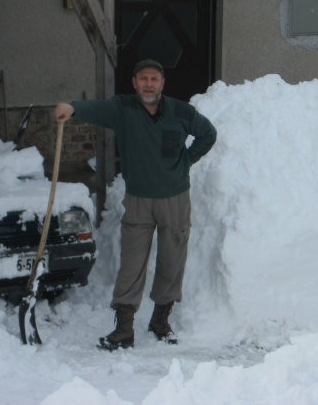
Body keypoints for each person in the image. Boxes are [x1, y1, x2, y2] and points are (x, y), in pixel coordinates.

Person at [54, 59, 217, 351]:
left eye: (154, 79)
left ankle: (160, 321)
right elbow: (95, 109)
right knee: (131, 263)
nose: (149, 84)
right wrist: (72, 108)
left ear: (162, 83)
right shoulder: (123, 109)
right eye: (143, 79)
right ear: (134, 82)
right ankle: (124, 329)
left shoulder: (181, 111)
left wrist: (186, 161)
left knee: (172, 260)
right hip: (139, 200)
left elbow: (208, 134)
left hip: (175, 199)